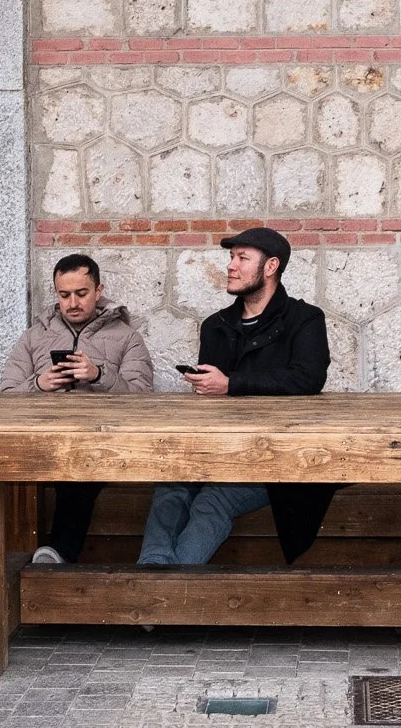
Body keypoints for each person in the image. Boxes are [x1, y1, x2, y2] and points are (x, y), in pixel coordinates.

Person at [139, 227, 331, 566]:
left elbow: (308, 378)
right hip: (217, 449)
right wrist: (206, 387)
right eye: (231, 257)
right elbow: (214, 399)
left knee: (213, 500)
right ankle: (153, 573)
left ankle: (163, 590)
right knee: (170, 487)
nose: (231, 265)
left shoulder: (305, 319)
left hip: (276, 457)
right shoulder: (216, 325)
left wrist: (231, 384)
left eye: (242, 258)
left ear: (270, 266)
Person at [0, 253, 156, 563]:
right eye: (64, 295)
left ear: (98, 291)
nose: (72, 303)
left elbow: (142, 400)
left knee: (81, 467)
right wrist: (39, 384)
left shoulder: (127, 338)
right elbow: (6, 396)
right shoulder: (34, 337)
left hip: (102, 444)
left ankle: (57, 555)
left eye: (81, 293)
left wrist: (99, 376)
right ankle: (15, 562)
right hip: (41, 442)